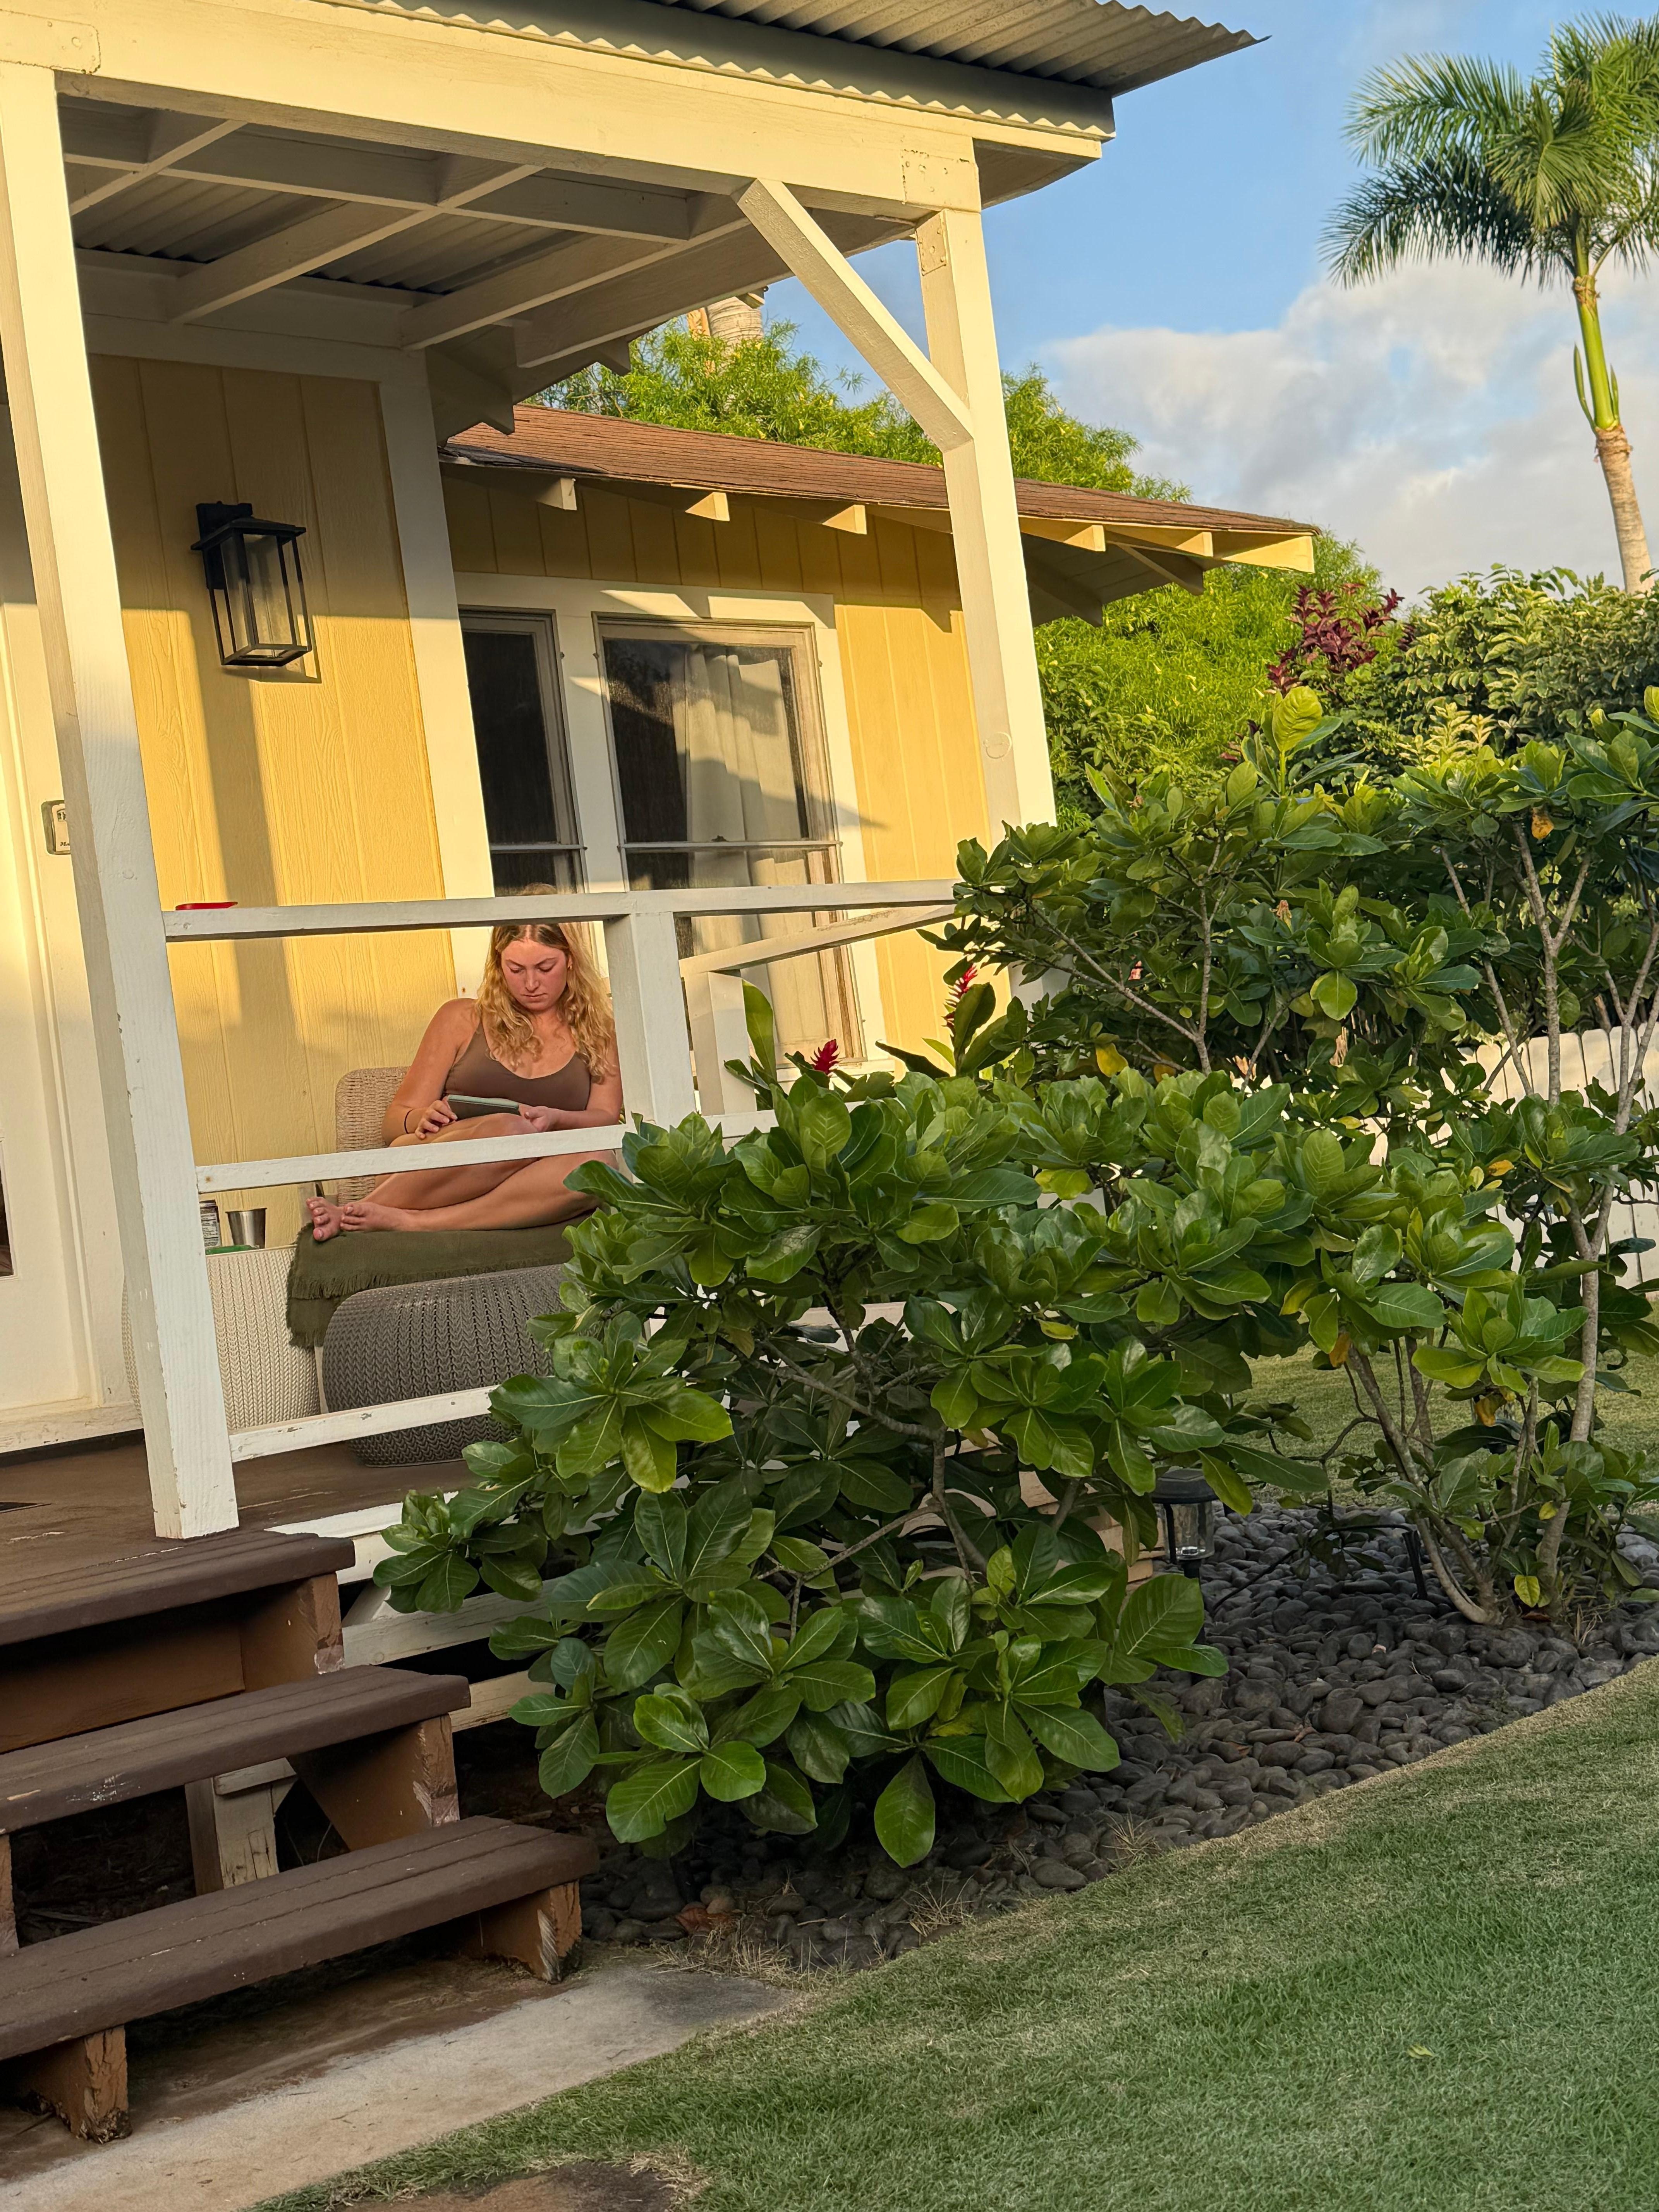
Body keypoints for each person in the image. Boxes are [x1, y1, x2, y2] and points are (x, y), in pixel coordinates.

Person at [305, 906, 622, 1239]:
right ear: (499, 964)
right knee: (511, 1130)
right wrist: (422, 1117)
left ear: (570, 959)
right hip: (439, 1169)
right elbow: (393, 1124)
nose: (531, 984)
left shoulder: (598, 1031)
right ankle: (357, 1211)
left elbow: (604, 1117)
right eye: (516, 969)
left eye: (545, 968)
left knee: (598, 1165)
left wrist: (556, 1119)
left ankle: (412, 1222)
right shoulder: (461, 1019)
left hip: (532, 1182)